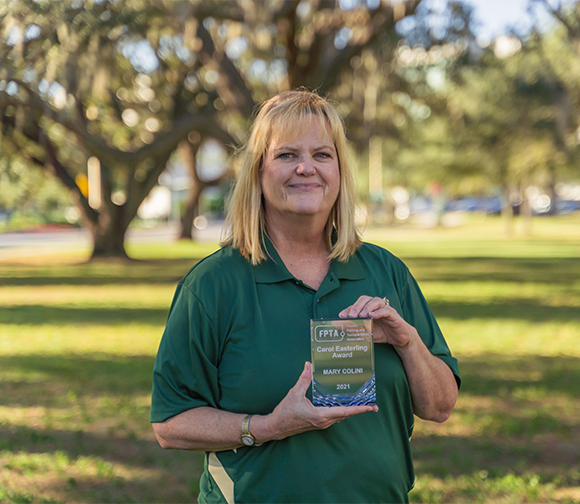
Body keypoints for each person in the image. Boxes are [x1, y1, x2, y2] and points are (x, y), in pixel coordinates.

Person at [150, 90, 461, 504]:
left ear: (339, 171)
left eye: (322, 155)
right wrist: (268, 426)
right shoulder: (213, 284)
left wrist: (407, 342)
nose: (305, 168)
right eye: (286, 155)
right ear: (258, 172)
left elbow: (439, 406)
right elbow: (170, 423)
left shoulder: (386, 272)